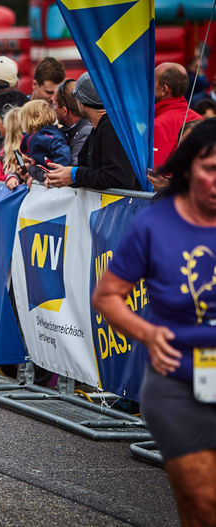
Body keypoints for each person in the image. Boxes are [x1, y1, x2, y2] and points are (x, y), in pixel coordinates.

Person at [91, 118, 216, 527]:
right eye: (210, 169)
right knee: (203, 502)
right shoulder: (156, 224)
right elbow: (107, 296)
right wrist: (148, 333)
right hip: (180, 382)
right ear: (185, 170)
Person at [45, 72, 142, 190]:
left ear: (80, 101)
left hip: (126, 206)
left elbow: (118, 177)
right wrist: (62, 175)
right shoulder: (100, 127)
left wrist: (74, 175)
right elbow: (87, 169)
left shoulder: (112, 129)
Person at [154, 62, 202, 169]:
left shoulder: (159, 125)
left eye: (151, 82)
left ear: (164, 90)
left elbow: (152, 174)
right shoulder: (201, 120)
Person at [19, 99, 71, 176]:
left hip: (54, 177)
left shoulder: (46, 136)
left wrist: (53, 174)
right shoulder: (38, 136)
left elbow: (63, 154)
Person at [53, 78, 93, 165]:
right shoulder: (68, 130)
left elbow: (73, 170)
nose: (53, 109)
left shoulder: (85, 132)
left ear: (64, 111)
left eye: (54, 105)